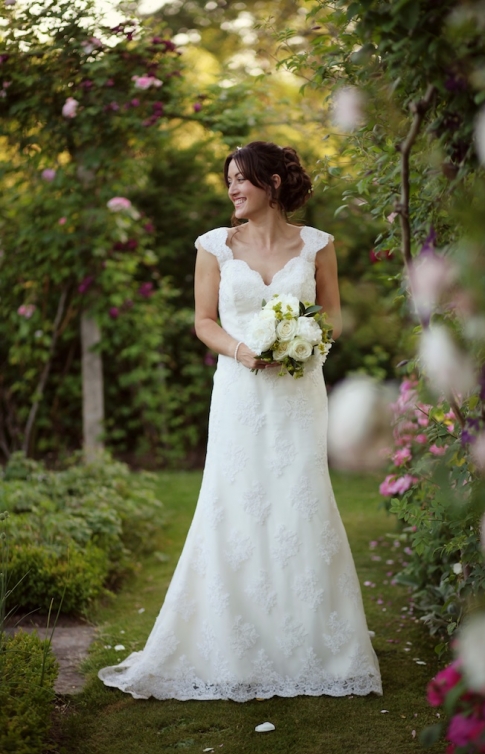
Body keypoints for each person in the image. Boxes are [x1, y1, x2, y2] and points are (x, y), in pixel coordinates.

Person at [98, 141, 382, 701]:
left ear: (272, 184)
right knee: (236, 499)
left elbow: (334, 318)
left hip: (300, 392)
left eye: (241, 180)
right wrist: (242, 351)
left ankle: (313, 642)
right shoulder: (214, 247)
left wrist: (305, 343)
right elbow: (203, 321)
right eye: (228, 180)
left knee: (300, 497)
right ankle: (231, 639)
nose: (231, 189)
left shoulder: (319, 246)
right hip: (238, 391)